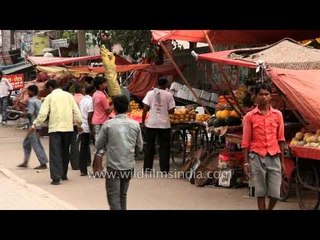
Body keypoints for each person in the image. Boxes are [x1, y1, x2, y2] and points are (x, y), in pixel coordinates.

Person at [242, 82, 285, 210]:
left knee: (276, 194)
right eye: (261, 94)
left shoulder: (278, 115)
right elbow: (245, 141)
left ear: (270, 96)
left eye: (266, 94)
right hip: (256, 156)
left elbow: (281, 139)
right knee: (260, 192)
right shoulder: (249, 116)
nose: (264, 97)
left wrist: (282, 161)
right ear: (255, 97)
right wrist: (246, 163)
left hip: (274, 155)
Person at [95, 95, 143, 210]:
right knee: (123, 195)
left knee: (113, 197)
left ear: (114, 108)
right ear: (127, 107)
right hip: (128, 165)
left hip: (113, 166)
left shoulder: (108, 124)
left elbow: (98, 145)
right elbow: (140, 146)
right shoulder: (135, 125)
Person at [30, 79, 82, 185]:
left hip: (55, 128)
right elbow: (76, 111)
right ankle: (63, 174)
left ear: (50, 88)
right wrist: (80, 124)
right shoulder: (69, 96)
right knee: (65, 151)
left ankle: (56, 178)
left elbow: (43, 114)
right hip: (68, 128)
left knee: (55, 153)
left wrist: (35, 124)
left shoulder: (50, 97)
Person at [142, 77, 175, 173]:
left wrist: (143, 122)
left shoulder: (150, 93)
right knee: (164, 147)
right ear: (165, 85)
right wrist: (164, 109)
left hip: (151, 124)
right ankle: (164, 169)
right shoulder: (169, 95)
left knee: (149, 147)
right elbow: (172, 111)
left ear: (157, 84)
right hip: (164, 125)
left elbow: (145, 109)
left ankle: (147, 168)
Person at [17, 85, 49, 169]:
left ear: (32, 92)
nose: (27, 93)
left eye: (28, 91)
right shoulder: (38, 101)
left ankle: (43, 163)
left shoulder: (31, 101)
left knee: (36, 144)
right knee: (26, 143)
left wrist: (23, 114)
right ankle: (25, 161)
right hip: (38, 125)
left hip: (33, 126)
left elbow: (30, 114)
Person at [91, 76, 114, 176]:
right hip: (102, 122)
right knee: (101, 147)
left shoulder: (95, 94)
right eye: (104, 83)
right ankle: (99, 169)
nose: (106, 85)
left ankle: (95, 169)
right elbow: (108, 111)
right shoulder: (102, 96)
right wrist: (115, 103)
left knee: (97, 146)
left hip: (96, 121)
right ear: (100, 85)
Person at [78, 85, 95, 176]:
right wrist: (91, 129)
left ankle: (82, 168)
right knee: (85, 148)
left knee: (83, 148)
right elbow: (89, 116)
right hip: (87, 127)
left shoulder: (82, 100)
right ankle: (84, 169)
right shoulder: (90, 101)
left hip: (82, 126)